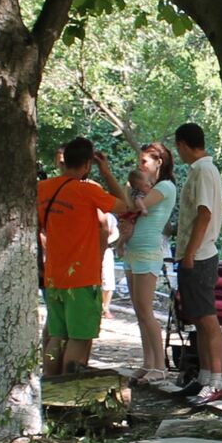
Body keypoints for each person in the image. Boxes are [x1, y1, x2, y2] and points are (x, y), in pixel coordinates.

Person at [38, 137, 131, 375]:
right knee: (78, 338)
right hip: (81, 276)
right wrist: (107, 172)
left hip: (54, 275)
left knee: (57, 336)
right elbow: (124, 205)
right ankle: (69, 389)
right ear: (87, 164)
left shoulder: (43, 189)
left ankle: (49, 382)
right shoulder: (87, 190)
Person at [171, 123, 222, 407]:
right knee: (198, 320)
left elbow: (204, 214)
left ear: (183, 144)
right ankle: (205, 376)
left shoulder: (204, 171)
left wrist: (190, 252)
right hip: (194, 253)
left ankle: (216, 379)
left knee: (207, 318)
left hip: (201, 255)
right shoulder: (202, 170)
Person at [123, 143, 176, 384]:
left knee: (145, 309)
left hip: (148, 252)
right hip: (132, 251)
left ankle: (160, 365)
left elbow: (131, 205)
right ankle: (148, 362)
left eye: (144, 161)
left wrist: (128, 189)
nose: (140, 165)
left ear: (158, 162)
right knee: (139, 310)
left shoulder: (165, 186)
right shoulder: (143, 189)